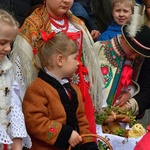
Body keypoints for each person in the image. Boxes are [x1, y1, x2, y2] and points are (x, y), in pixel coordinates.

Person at [10, 0, 103, 135]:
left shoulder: (77, 24)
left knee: (85, 135)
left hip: (80, 93)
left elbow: (90, 63)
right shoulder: (32, 26)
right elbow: (23, 76)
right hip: (49, 98)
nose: (66, 1)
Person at [22, 32, 99, 150]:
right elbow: (34, 121)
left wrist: (87, 143)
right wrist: (65, 134)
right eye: (75, 58)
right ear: (60, 60)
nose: (78, 63)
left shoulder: (73, 89)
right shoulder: (38, 88)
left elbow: (81, 120)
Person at [93, 20, 150, 122]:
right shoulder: (99, 49)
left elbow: (139, 84)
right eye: (132, 51)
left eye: (138, 55)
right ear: (123, 38)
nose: (134, 56)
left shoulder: (139, 59)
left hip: (119, 118)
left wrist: (129, 94)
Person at [0, 9, 31, 150]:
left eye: (10, 44)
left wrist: (17, 142)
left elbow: (14, 107)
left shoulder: (8, 69)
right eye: (2, 43)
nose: (7, 48)